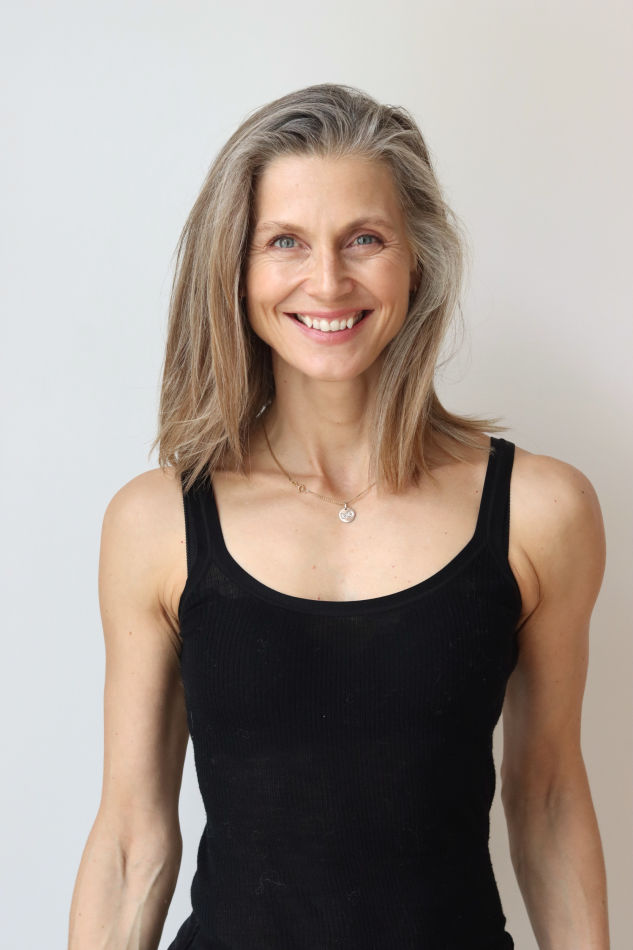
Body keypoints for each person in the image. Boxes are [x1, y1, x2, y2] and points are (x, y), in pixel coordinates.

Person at [67, 83, 610, 949]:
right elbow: (133, 841)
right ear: (237, 271)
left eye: (364, 239)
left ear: (416, 260)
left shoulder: (539, 513)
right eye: (284, 241)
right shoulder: (157, 522)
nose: (326, 280)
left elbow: (545, 801)